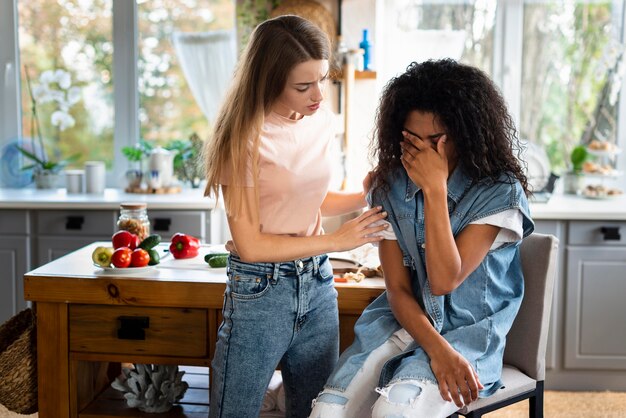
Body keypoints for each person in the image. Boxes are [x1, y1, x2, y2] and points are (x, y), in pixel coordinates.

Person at [309, 59, 535, 418]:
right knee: (326, 412)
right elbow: (397, 290)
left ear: (465, 133)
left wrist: (434, 188)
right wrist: (437, 351)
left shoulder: (499, 192)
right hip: (401, 323)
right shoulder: (390, 185)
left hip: (466, 333)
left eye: (437, 141)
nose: (427, 153)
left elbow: (445, 280)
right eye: (415, 141)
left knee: (394, 412)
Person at [202, 15, 388, 418]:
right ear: (269, 81)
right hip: (260, 293)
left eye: (322, 78)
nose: (318, 94)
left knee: (316, 411)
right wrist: (338, 241)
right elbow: (250, 245)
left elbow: (310, 203)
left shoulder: (318, 118)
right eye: (303, 86)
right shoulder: (243, 138)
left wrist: (368, 193)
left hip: (318, 285)